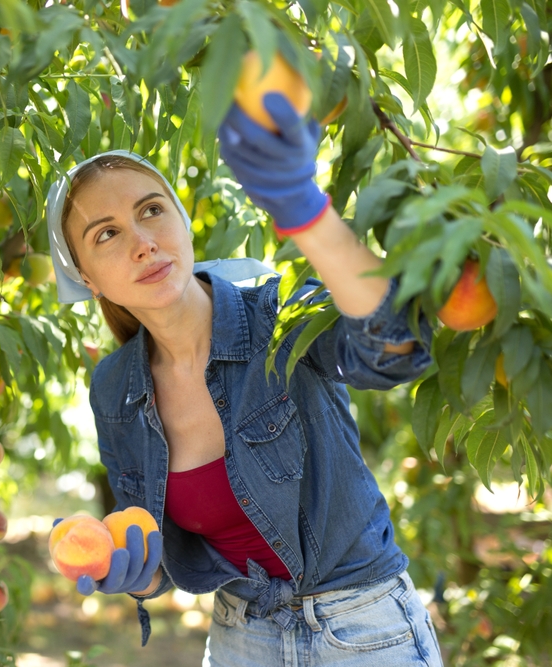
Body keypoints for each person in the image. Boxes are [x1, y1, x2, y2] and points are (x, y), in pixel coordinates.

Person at [43, 93, 445, 666]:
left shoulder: (277, 316)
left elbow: (393, 350)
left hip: (361, 629)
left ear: (181, 221)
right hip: (241, 636)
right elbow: (157, 556)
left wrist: (306, 211)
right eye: (106, 234)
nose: (142, 243)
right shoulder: (115, 389)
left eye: (152, 210)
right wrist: (120, 564)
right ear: (88, 278)